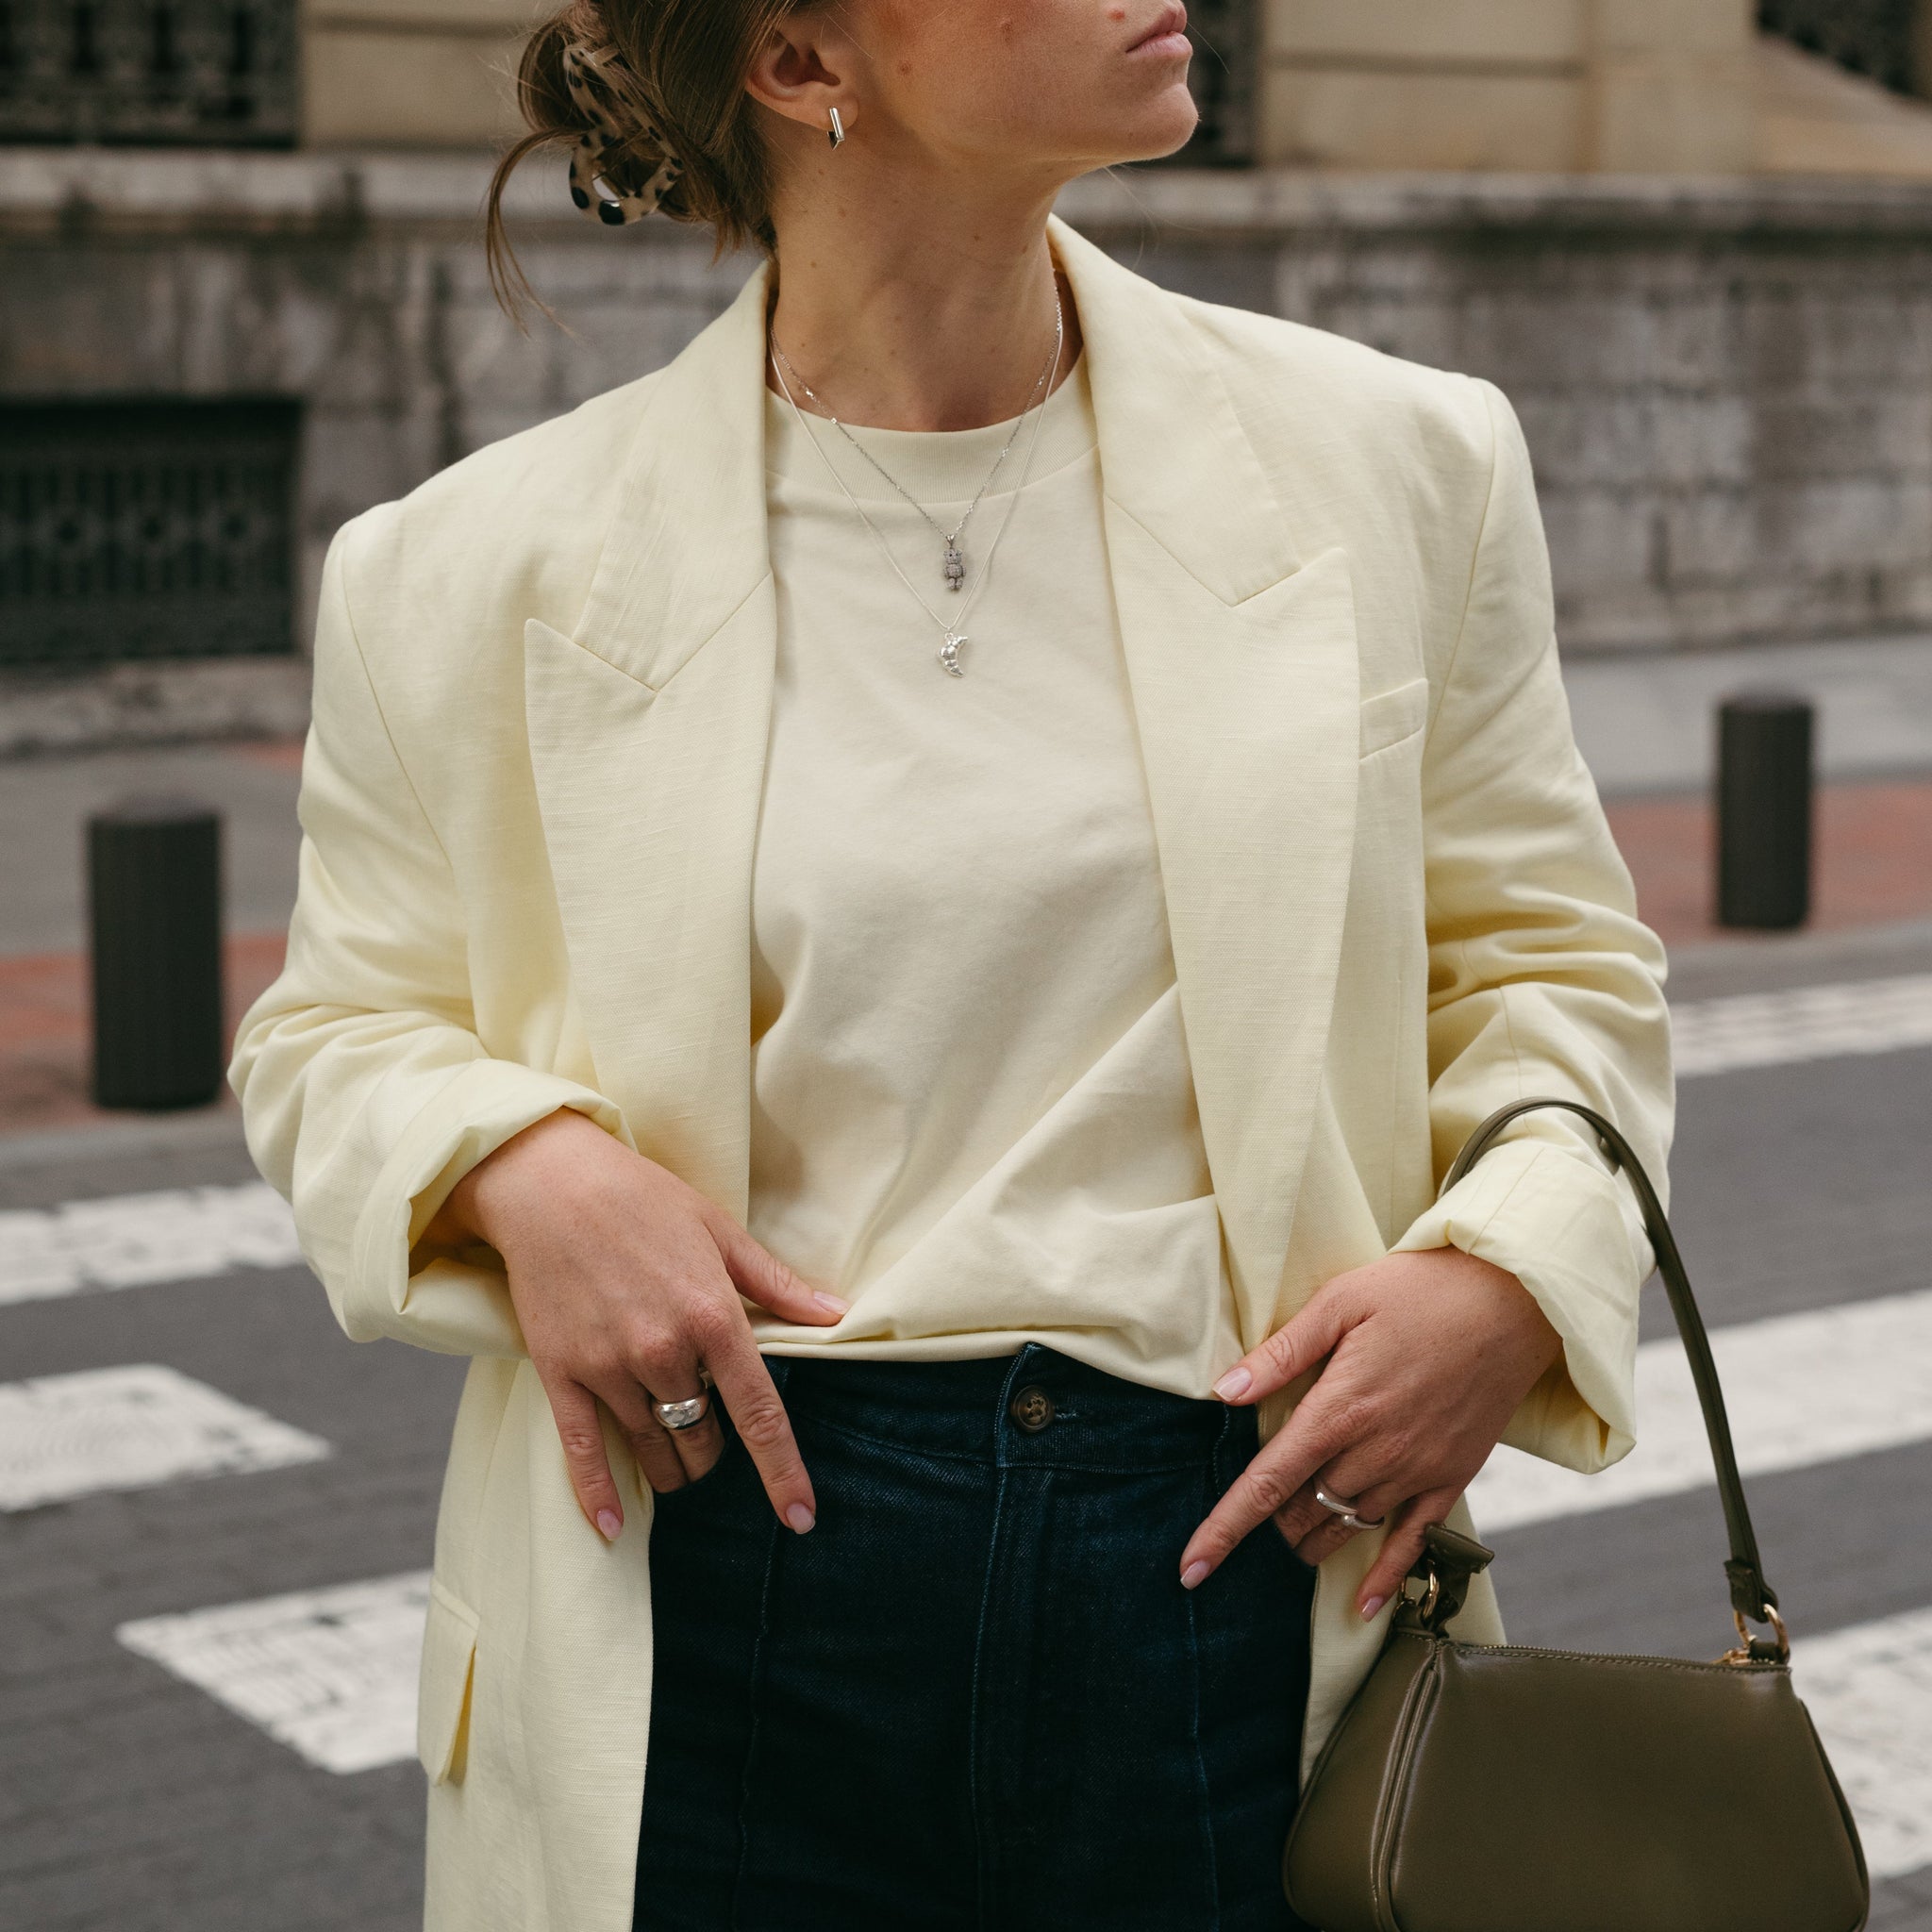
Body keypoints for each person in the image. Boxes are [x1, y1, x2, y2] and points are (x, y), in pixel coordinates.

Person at [230, 2, 1673, 1927]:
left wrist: (1503, 1275)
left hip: (1237, 1555)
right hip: (714, 1574)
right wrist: (519, 1166)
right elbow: (335, 1030)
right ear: (801, 63)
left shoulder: (1402, 462)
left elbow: (1551, 964)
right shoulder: (460, 570)